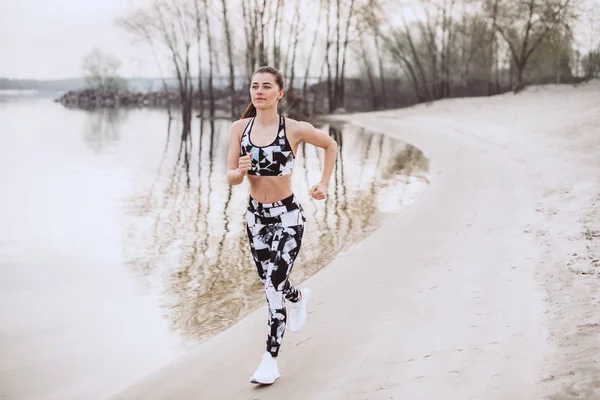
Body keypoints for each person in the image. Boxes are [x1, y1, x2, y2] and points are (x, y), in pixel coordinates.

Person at [226, 66, 337, 385]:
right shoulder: (239, 129)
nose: (258, 91)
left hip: (288, 217)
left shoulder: (295, 129)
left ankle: (269, 360)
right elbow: (231, 176)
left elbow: (331, 146)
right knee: (271, 282)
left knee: (273, 287)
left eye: (265, 86)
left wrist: (324, 183)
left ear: (279, 93)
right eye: (254, 86)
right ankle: (299, 297)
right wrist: (239, 172)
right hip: (255, 218)